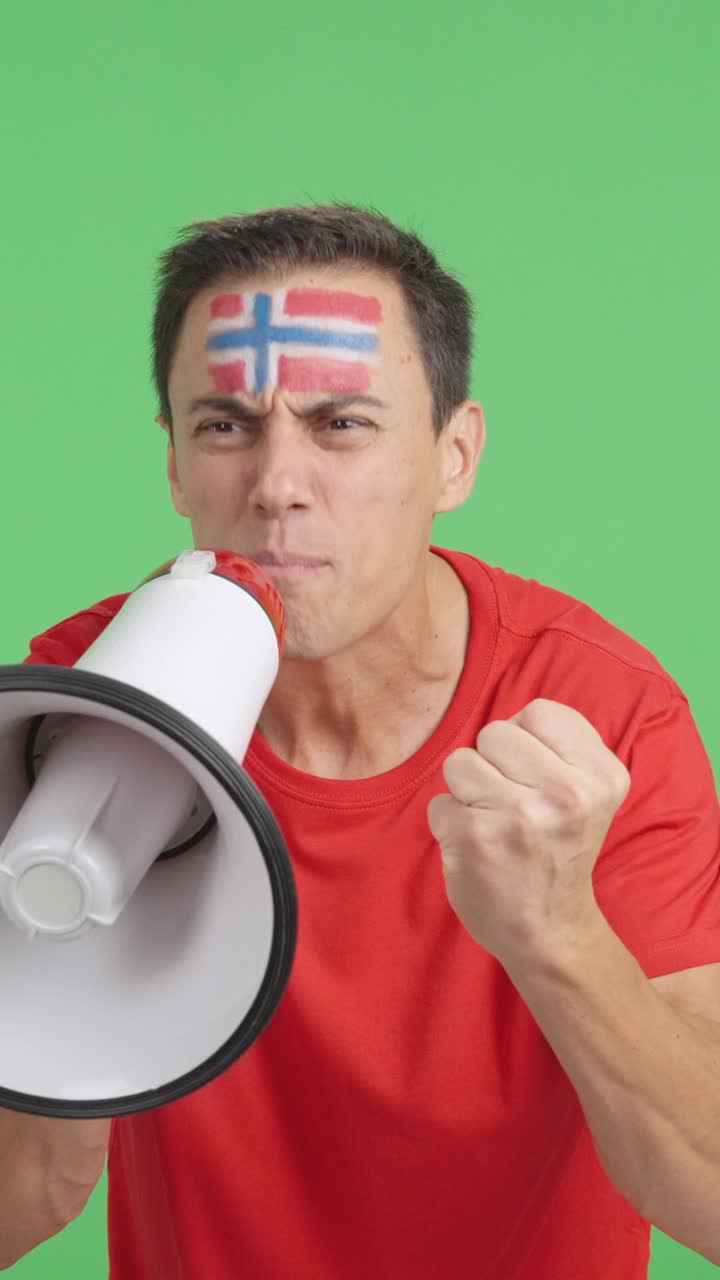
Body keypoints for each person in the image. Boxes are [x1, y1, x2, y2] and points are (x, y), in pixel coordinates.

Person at [6, 204, 720, 1279]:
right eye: (224, 426)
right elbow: (27, 1198)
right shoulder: (77, 706)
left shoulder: (599, 713)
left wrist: (562, 935)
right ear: (175, 465)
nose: (276, 486)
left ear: (454, 457)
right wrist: (53, 963)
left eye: (340, 424)